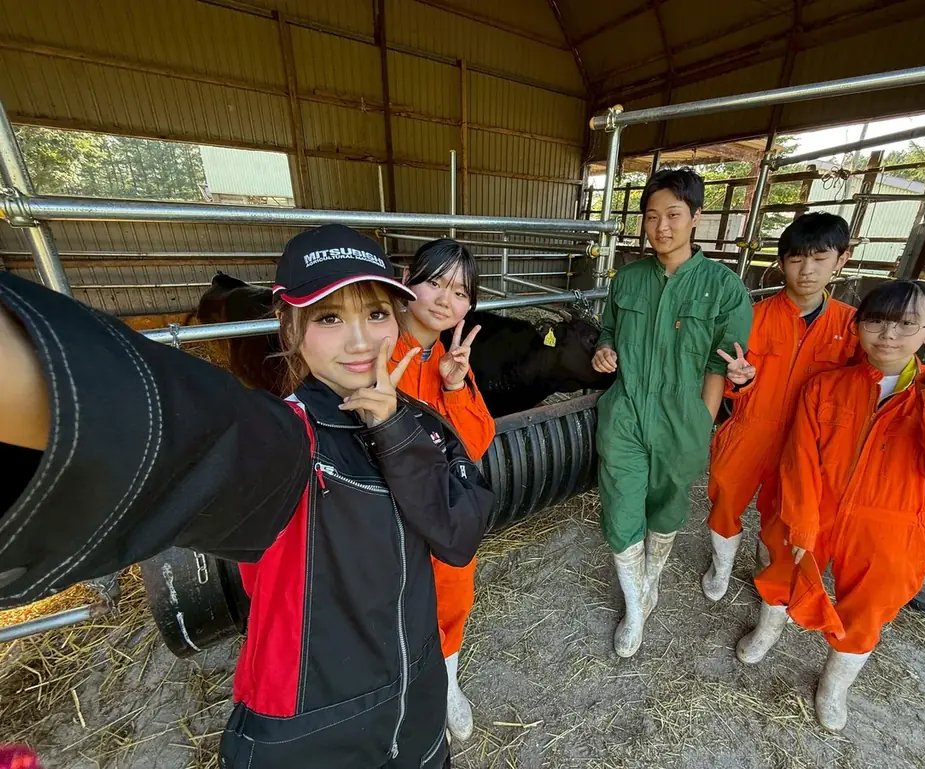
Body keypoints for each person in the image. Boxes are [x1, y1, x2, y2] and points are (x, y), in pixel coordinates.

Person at [0, 225, 494, 769]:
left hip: (418, 708)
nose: (361, 341)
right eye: (329, 317)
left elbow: (461, 533)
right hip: (312, 730)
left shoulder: (418, 421)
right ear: (290, 324)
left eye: (376, 314)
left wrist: (394, 426)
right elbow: (169, 431)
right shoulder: (284, 438)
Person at [736, 280, 925, 732]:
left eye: (907, 324)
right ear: (858, 326)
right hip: (817, 508)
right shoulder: (827, 386)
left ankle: (834, 687)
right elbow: (799, 458)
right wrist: (802, 524)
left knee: (868, 610)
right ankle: (767, 632)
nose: (889, 335)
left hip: (893, 523)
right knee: (781, 570)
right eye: (877, 321)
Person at [591, 167, 752, 658]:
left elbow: (721, 365)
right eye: (652, 216)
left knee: (666, 508)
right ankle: (635, 610)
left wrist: (702, 420)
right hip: (626, 413)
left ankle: (652, 581)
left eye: (673, 215)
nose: (661, 226)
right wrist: (603, 350)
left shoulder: (724, 288)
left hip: (685, 419)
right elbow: (609, 332)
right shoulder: (628, 278)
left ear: (696, 218)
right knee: (621, 510)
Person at [702, 212, 859, 601]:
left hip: (806, 445)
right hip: (750, 429)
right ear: (781, 262)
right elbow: (722, 380)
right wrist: (740, 382)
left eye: (820, 258)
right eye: (796, 258)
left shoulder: (853, 327)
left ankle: (767, 571)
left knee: (786, 519)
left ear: (841, 260)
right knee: (723, 500)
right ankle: (721, 568)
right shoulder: (750, 317)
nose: (807, 270)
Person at [393, 238, 495, 741]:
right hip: (384, 514)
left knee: (453, 595)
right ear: (408, 276)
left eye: (459, 292)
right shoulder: (372, 342)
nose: (443, 299)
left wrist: (455, 386)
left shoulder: (448, 358)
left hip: (442, 510)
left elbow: (476, 442)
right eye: (435, 281)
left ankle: (448, 683)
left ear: (469, 306)